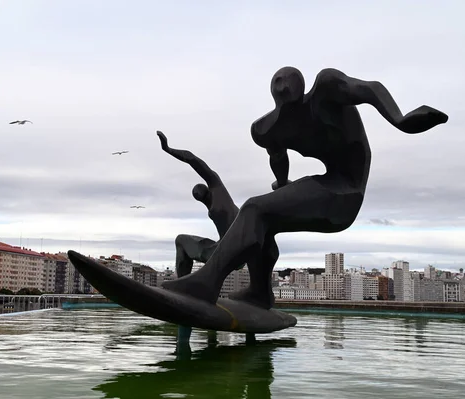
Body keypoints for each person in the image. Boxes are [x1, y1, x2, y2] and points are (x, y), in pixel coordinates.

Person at [162, 66, 448, 305]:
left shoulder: (327, 89)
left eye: (288, 80)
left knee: (254, 208)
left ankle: (206, 283)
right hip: (327, 186)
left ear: (301, 84)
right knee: (263, 221)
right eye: (277, 81)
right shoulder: (267, 128)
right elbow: (278, 157)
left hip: (346, 191)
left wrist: (401, 120)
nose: (283, 85)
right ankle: (260, 292)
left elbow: (369, 89)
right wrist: (284, 185)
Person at [158, 131, 279, 308]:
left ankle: (183, 286)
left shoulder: (217, 189)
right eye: (197, 196)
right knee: (182, 241)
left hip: (232, 248)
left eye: (199, 192)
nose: (199, 196)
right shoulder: (212, 206)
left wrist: (168, 149)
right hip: (226, 248)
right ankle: (183, 283)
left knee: (180, 240)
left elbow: (194, 160)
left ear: (206, 189)